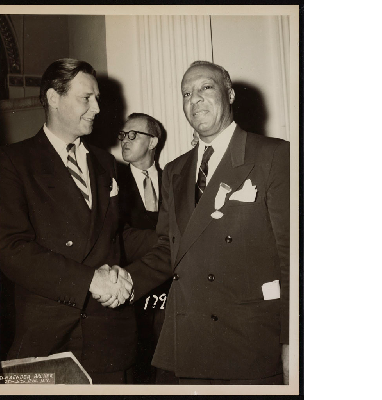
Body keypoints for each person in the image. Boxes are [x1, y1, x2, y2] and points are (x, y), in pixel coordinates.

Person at [102, 60, 290, 384]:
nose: (195, 99)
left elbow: (295, 257)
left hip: (250, 343)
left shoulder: (273, 156)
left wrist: (293, 338)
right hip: (190, 340)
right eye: (186, 93)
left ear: (229, 94)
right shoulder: (174, 171)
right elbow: (169, 248)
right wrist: (129, 281)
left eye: (206, 88)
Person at [0, 58, 154, 384]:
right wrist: (89, 281)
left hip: (110, 339)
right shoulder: (13, 162)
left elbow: (114, 235)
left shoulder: (106, 163)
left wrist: (176, 237)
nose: (97, 108)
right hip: (50, 339)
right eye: (86, 98)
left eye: (97, 98)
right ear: (53, 98)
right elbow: (11, 249)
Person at [116, 113, 173, 383]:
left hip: (167, 293)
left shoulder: (174, 181)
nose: (124, 141)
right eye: (122, 135)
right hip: (130, 291)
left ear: (152, 142)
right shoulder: (111, 181)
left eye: (132, 135)